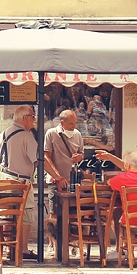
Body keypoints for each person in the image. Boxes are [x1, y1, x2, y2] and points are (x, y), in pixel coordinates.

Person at [0, 105, 39, 259]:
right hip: (20, 183)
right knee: (26, 213)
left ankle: (7, 248)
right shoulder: (27, 136)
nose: (34, 119)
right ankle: (21, 249)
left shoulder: (4, 133)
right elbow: (37, 161)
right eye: (32, 116)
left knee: (4, 215)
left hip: (1, 180)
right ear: (25, 118)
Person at [42, 109, 84, 257]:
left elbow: (81, 153)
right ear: (62, 123)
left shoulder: (77, 135)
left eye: (75, 123)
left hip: (73, 180)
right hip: (55, 180)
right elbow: (46, 156)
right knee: (54, 211)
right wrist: (57, 175)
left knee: (74, 213)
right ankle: (52, 244)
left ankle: (74, 245)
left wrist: (79, 157)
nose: (74, 126)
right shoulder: (51, 134)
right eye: (71, 123)